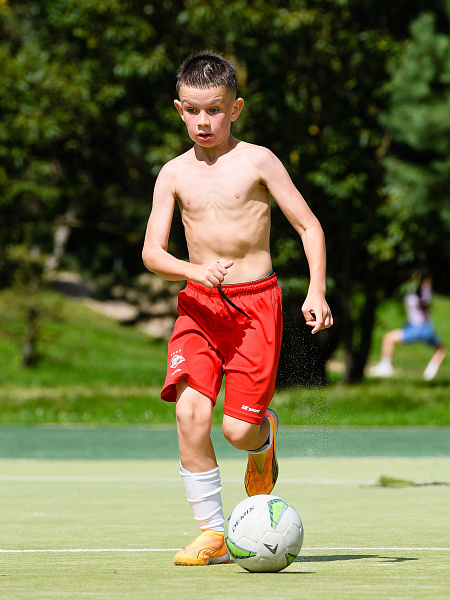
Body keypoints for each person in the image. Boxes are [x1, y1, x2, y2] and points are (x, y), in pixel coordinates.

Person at [142, 52, 333, 567]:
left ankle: (263, 438)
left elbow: (309, 226)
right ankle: (212, 532)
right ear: (179, 110)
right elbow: (152, 253)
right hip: (199, 308)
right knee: (189, 412)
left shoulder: (258, 161)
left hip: (255, 310)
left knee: (237, 432)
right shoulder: (172, 174)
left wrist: (315, 290)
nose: (204, 122)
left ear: (236, 108)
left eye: (215, 110)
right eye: (193, 111)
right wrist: (192, 271)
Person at [370, 272, 446, 380]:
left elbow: (424, 304)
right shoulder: (420, 292)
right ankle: (429, 373)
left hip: (418, 328)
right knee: (440, 349)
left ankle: (386, 367)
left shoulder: (420, 292)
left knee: (388, 338)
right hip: (426, 328)